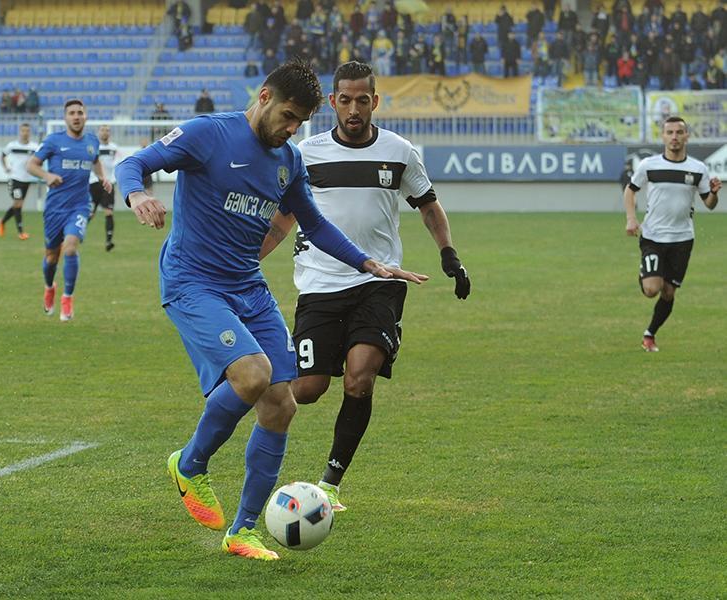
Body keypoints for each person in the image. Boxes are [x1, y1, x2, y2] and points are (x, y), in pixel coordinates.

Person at [114, 58, 426, 561]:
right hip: (194, 283)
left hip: (248, 287)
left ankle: (243, 531)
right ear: (263, 97)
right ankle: (189, 465)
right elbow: (133, 164)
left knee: (282, 404)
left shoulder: (289, 159)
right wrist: (136, 195)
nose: (292, 129)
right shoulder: (207, 133)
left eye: (300, 122)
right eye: (287, 116)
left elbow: (315, 224)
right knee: (254, 374)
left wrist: (369, 263)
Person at [259, 61, 471, 512]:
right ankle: (243, 397)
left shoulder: (399, 151)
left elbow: (428, 205)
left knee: (359, 378)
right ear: (332, 102)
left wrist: (448, 254)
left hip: (380, 282)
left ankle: (331, 484)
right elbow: (282, 220)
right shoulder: (306, 154)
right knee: (308, 388)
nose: (353, 109)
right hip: (319, 285)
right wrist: (245, 260)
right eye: (345, 100)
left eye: (362, 100)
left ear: (375, 101)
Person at [624, 116, 720, 352]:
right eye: (670, 132)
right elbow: (630, 190)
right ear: (663, 136)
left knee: (668, 292)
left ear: (687, 136)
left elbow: (709, 204)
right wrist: (631, 218)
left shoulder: (698, 168)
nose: (675, 137)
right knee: (651, 289)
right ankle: (646, 272)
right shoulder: (649, 165)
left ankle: (650, 334)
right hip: (653, 236)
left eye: (679, 132)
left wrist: (714, 193)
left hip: (682, 239)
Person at [26, 99, 111, 322]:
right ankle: (49, 287)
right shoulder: (53, 141)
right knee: (51, 257)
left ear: (85, 116)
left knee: (71, 247)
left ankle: (67, 298)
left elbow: (95, 160)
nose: (76, 116)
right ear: (65, 118)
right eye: (72, 113)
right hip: (55, 208)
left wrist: (102, 177)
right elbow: (31, 165)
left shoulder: (92, 141)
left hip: (80, 205)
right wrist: (47, 176)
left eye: (80, 113)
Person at [0, 123, 39, 240]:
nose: (25, 133)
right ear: (20, 132)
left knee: (18, 205)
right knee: (18, 204)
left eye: (27, 131)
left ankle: (2, 221)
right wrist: (6, 167)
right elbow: (2, 155)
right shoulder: (12, 145)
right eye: (23, 131)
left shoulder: (34, 147)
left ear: (30, 133)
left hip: (27, 180)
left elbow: (39, 159)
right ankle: (21, 232)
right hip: (15, 179)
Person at [88, 124, 118, 252]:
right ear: (98, 132)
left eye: (107, 130)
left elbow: (116, 164)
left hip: (108, 184)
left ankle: (109, 241)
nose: (105, 132)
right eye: (102, 130)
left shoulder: (114, 148)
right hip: (94, 183)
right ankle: (75, 235)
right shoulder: (93, 147)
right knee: (90, 214)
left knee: (109, 212)